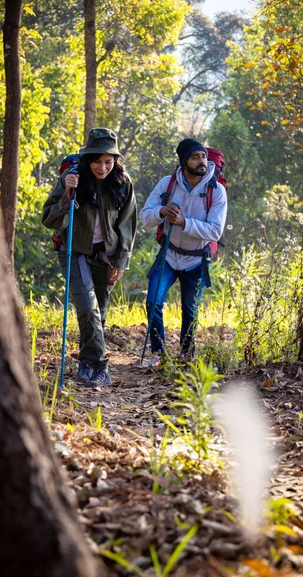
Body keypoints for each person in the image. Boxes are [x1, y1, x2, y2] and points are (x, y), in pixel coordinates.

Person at [42, 128, 137, 386]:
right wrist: (66, 195)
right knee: (87, 308)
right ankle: (101, 367)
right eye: (97, 161)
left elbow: (127, 226)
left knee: (98, 314)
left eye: (109, 161)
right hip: (74, 252)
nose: (103, 167)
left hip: (106, 256)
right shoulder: (71, 177)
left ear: (115, 161)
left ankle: (86, 363)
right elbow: (49, 219)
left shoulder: (122, 182)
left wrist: (120, 261)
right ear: (88, 159)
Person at [139, 138, 227, 366]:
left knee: (190, 309)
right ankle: (157, 353)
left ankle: (187, 352)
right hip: (168, 255)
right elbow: (144, 217)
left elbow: (215, 231)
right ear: (183, 161)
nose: (202, 162)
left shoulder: (216, 191)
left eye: (204, 157)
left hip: (196, 259)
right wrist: (161, 212)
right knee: (153, 302)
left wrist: (183, 222)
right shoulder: (167, 184)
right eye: (195, 157)